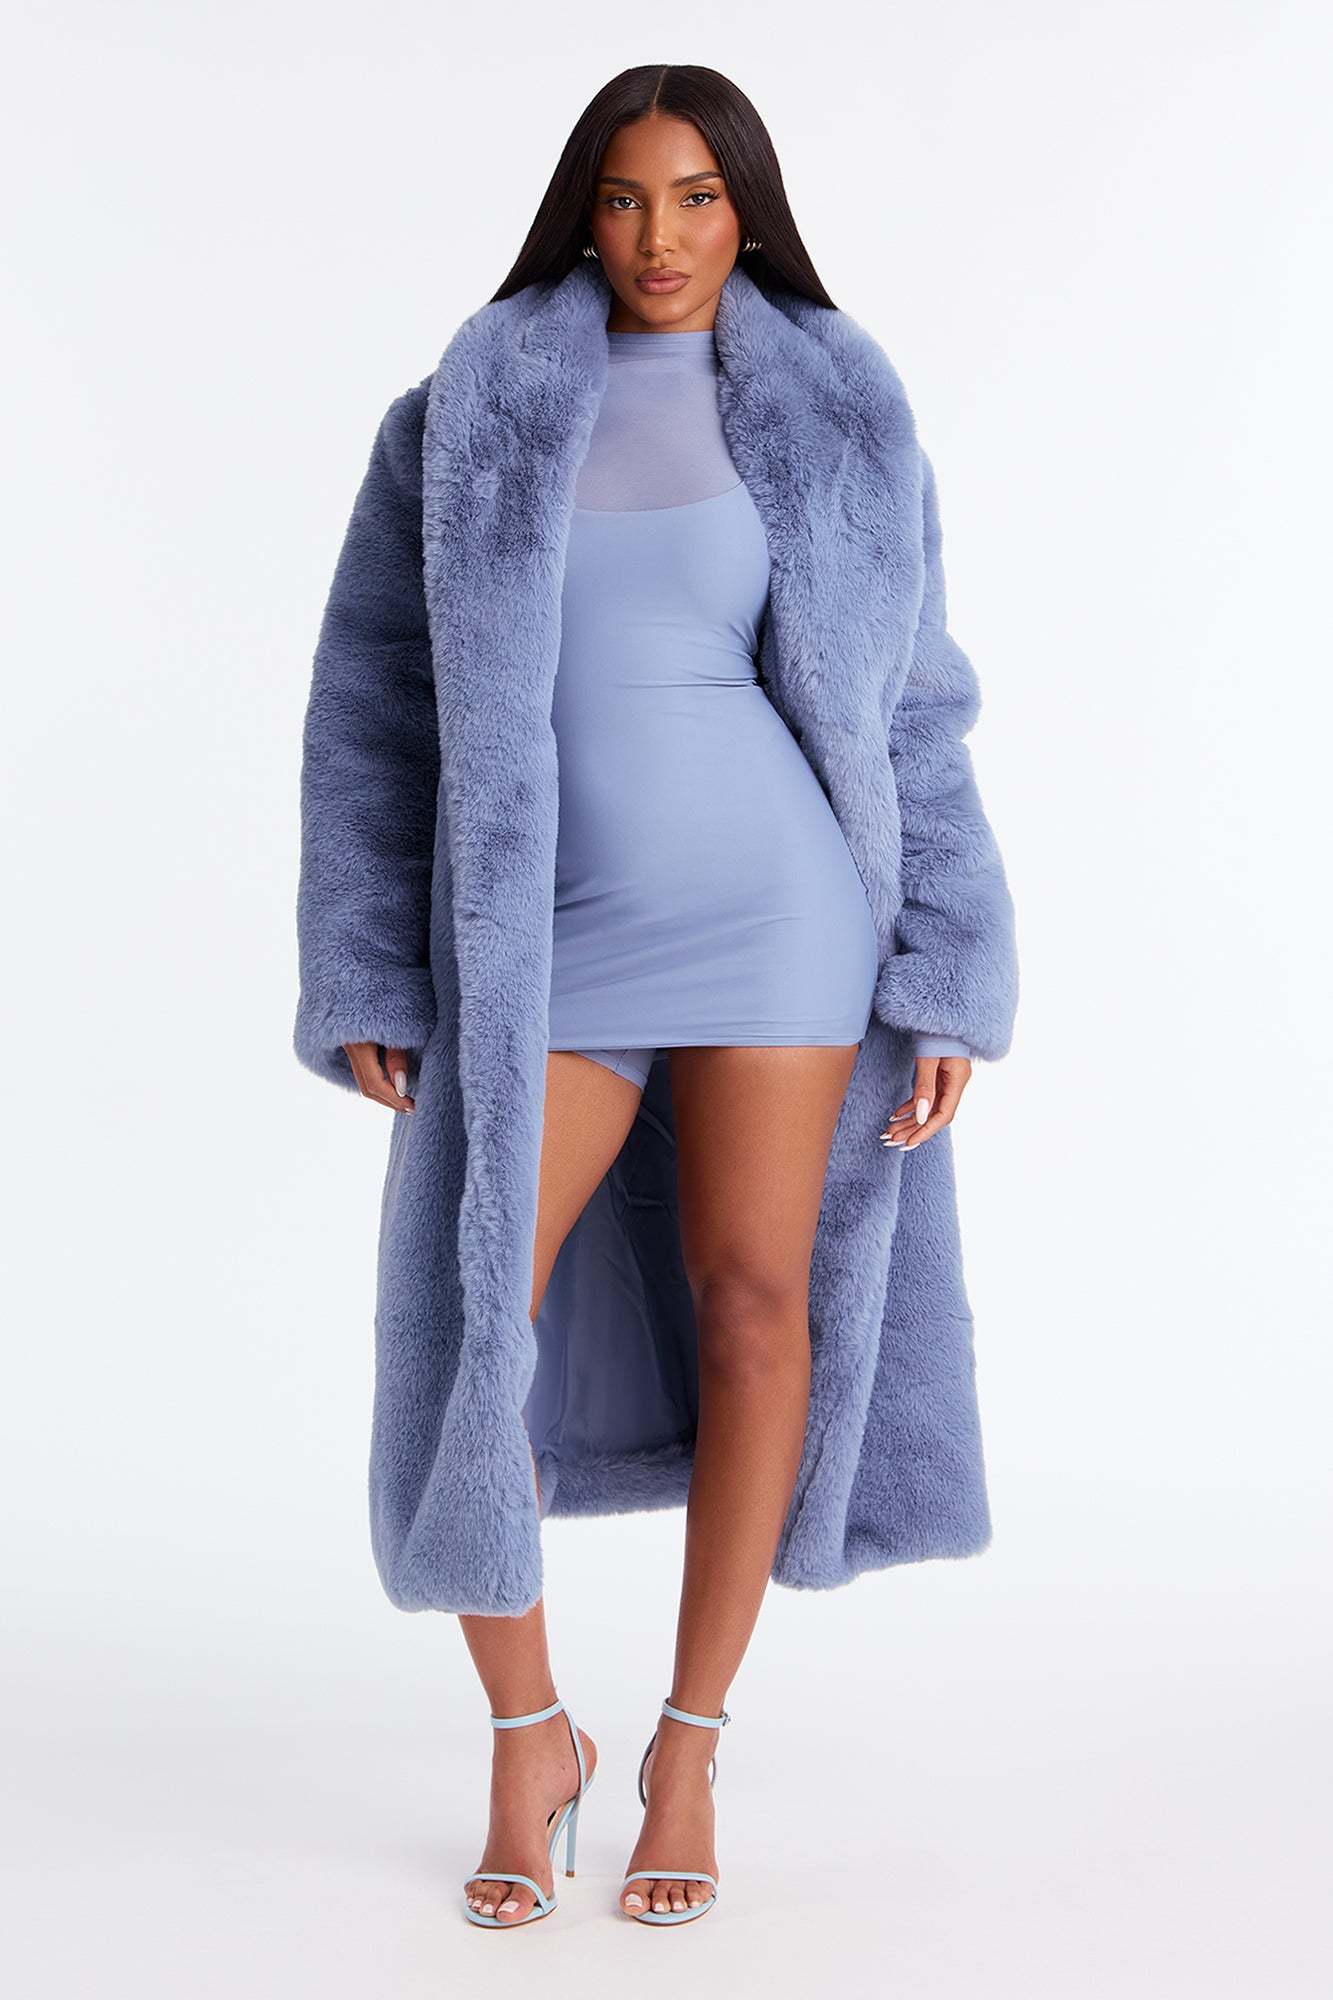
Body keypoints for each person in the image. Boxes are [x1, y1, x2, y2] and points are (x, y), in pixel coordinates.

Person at [294, 63, 1018, 1932]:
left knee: (758, 1302)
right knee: (477, 1319)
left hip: (782, 914)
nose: (658, 236)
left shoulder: (838, 408)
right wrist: (367, 958)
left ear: (747, 211)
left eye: (695, 197)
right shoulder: (462, 414)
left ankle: (687, 1745)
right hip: (543, 935)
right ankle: (527, 1733)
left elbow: (910, 706)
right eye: (624, 198)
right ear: (581, 211)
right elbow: (373, 709)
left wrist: (947, 971)